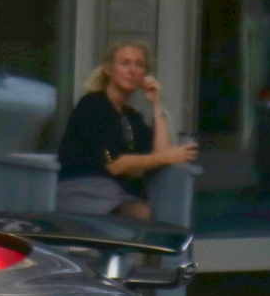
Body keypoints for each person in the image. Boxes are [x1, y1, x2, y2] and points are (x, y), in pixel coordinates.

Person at [55, 41, 196, 219]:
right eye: (125, 63)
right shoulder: (92, 105)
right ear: (109, 69)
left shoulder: (131, 117)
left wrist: (156, 104)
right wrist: (166, 157)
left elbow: (161, 153)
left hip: (116, 193)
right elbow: (116, 165)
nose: (132, 70)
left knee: (151, 212)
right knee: (141, 213)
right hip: (80, 190)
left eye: (139, 65)